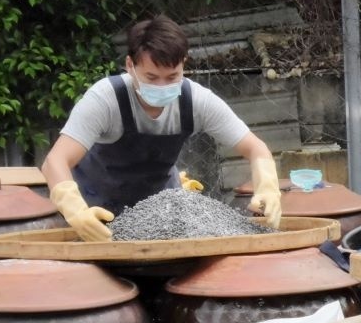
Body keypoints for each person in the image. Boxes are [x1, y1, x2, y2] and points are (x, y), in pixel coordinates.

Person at [41, 15, 282, 241]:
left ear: (183, 65)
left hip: (165, 217)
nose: (162, 86)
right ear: (129, 65)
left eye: (172, 77)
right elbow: (55, 161)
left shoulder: (197, 101)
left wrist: (268, 189)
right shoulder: (105, 99)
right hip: (97, 214)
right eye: (152, 77)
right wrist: (76, 211)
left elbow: (256, 149)